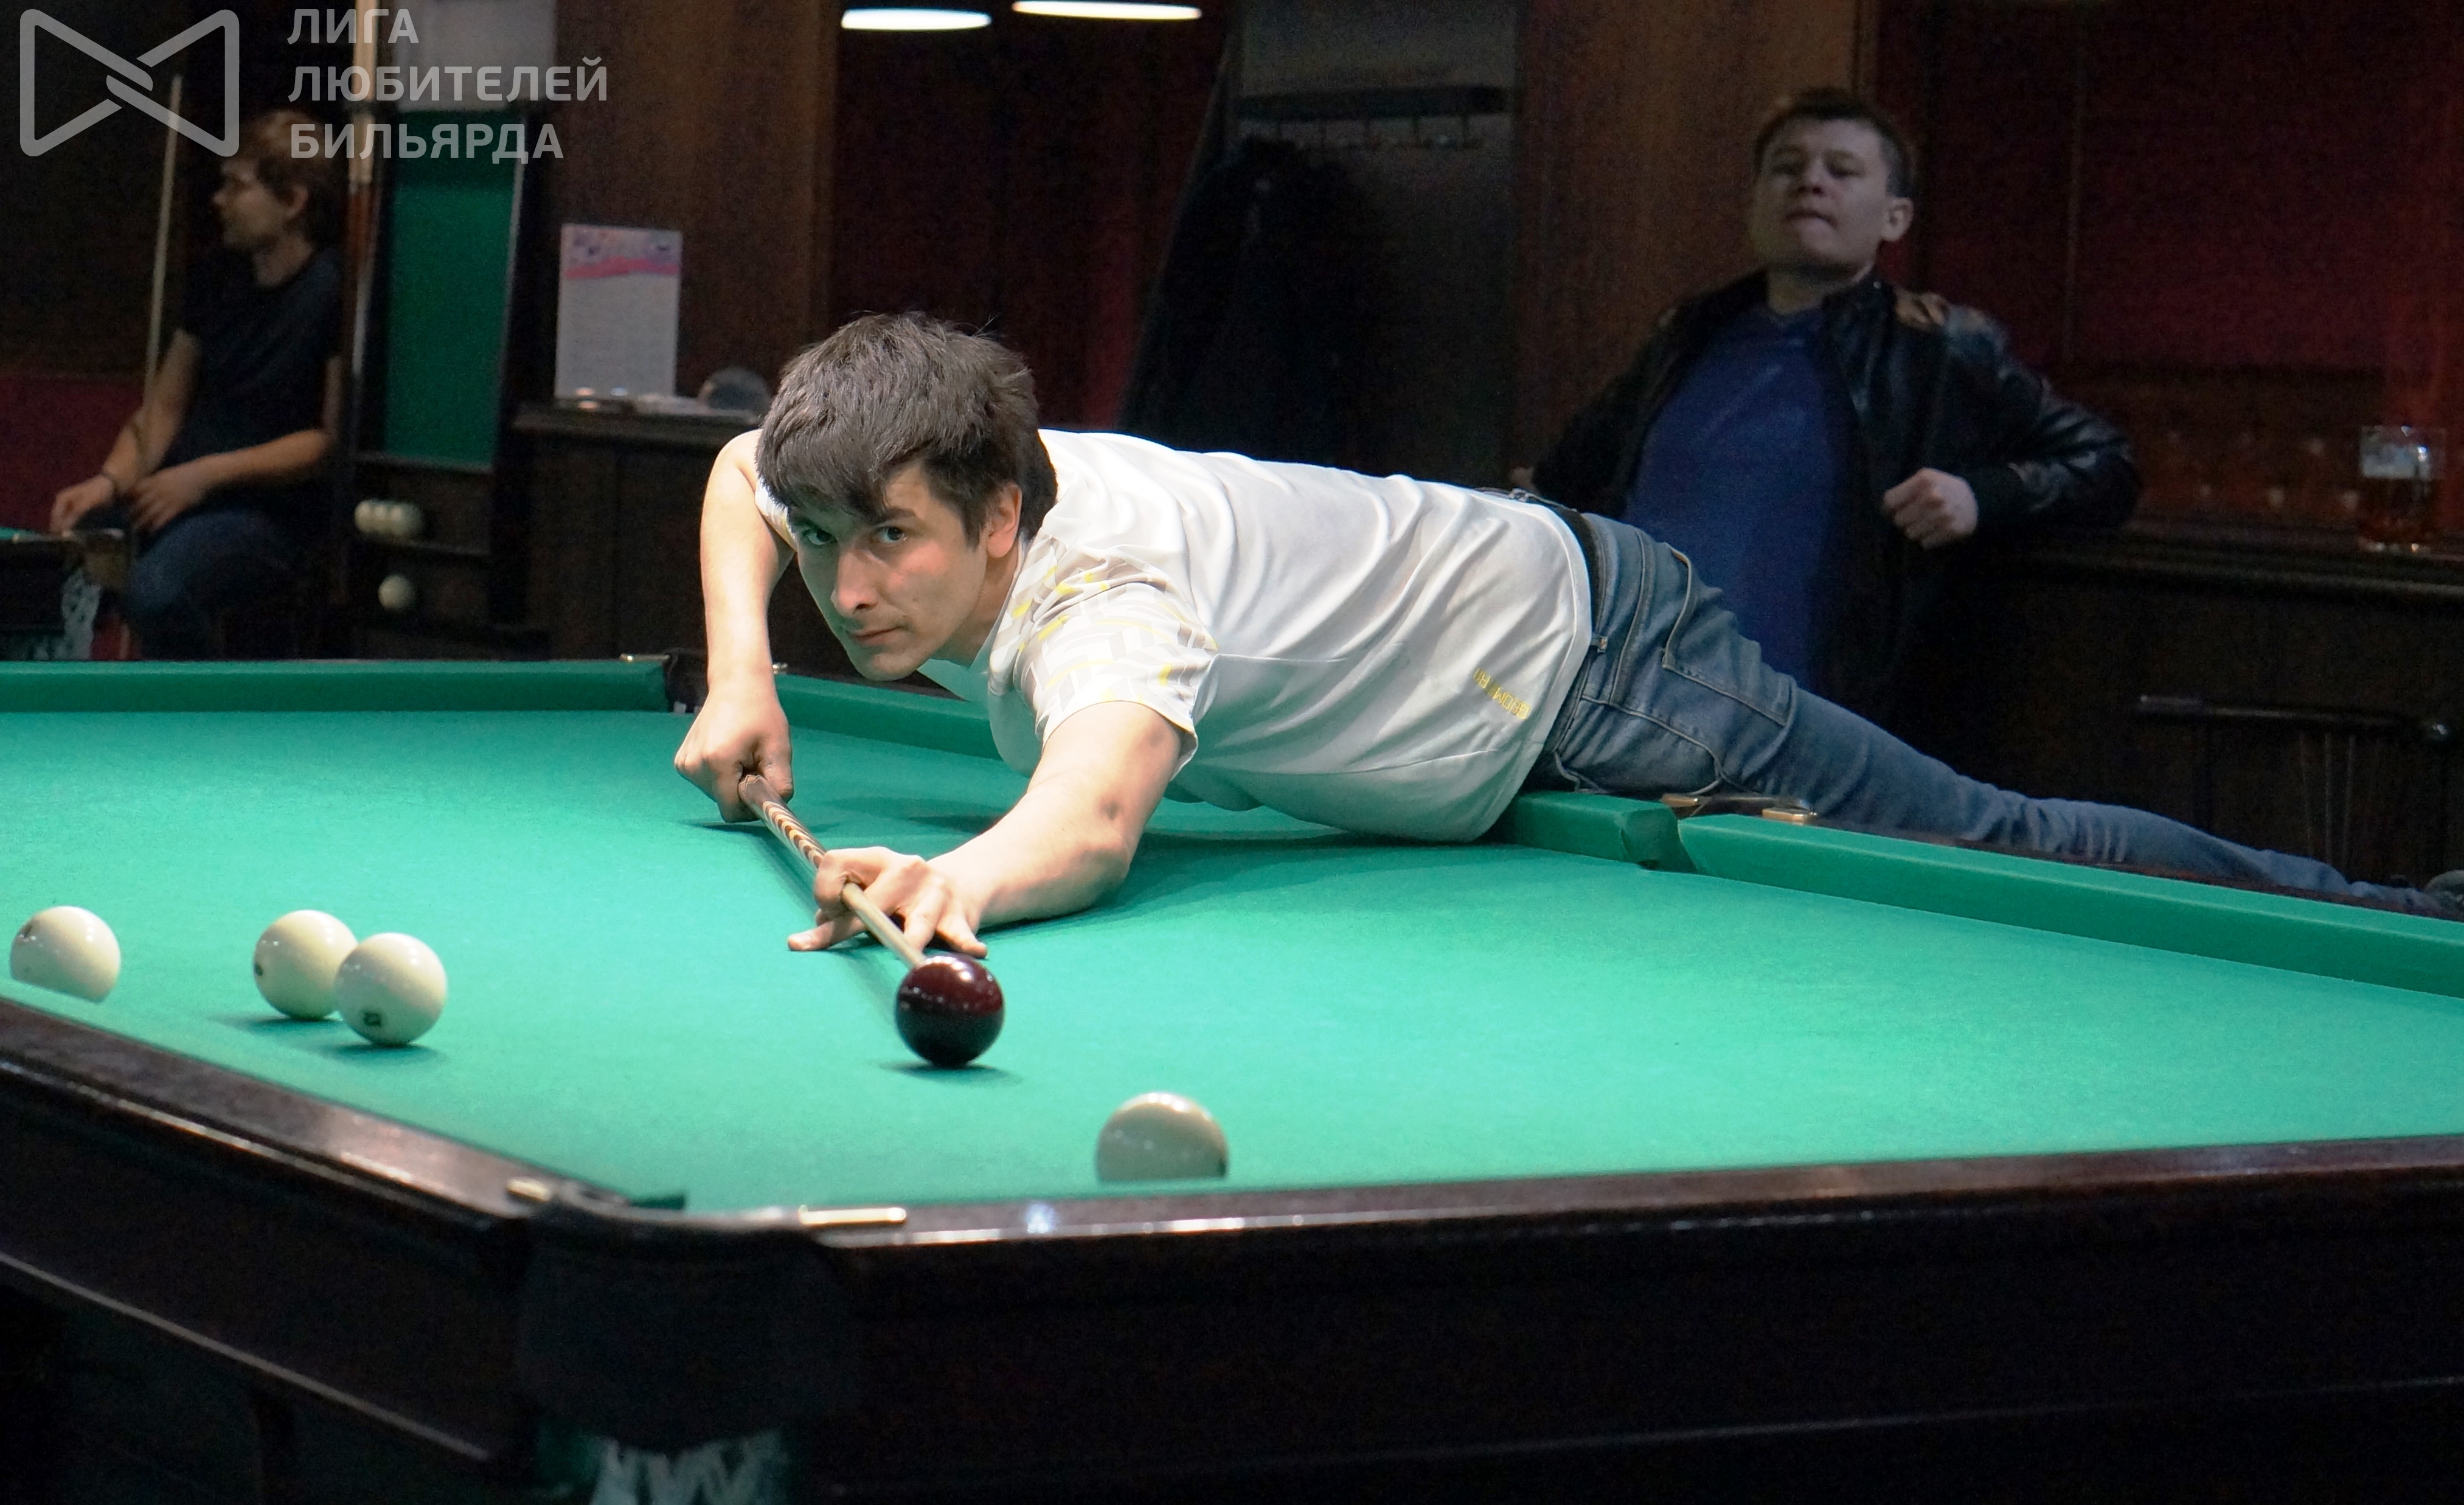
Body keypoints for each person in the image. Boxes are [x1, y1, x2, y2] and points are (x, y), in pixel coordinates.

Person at [672, 314, 2454, 955]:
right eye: (832, 545)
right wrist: (747, 670)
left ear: (1001, 514)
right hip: (1512, 627)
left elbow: (1092, 818)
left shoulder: (1099, 591)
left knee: (1992, 835)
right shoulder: (895, 465)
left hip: (1603, 669)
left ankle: (2401, 921)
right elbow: (748, 469)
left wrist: (958, 880)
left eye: (890, 542)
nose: (853, 586)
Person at [1528, 88, 2136, 725]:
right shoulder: (1686, 336)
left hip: (1814, 723)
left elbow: (2106, 463)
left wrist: (1982, 496)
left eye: (1841, 171)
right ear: (1753, 202)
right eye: (1787, 167)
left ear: (1894, 218)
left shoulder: (1938, 348)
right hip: (1626, 703)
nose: (1810, 182)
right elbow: (1563, 479)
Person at [47, 109, 344, 659]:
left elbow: (326, 442)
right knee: (57, 572)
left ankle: (204, 708)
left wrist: (204, 476)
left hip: (265, 514)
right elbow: (163, 409)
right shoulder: (217, 277)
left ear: (293, 202)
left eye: (236, 186)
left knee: (157, 593)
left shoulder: (333, 293)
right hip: (177, 494)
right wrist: (109, 482)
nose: (218, 199)